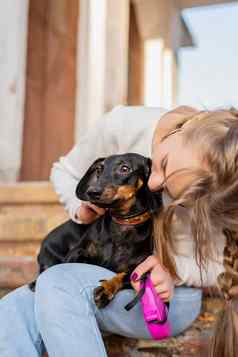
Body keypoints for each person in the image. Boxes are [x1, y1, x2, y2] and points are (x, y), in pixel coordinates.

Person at [0, 105, 235, 357]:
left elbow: (223, 266)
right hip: (100, 273)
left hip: (165, 301)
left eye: (183, 200)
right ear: (187, 125)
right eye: (163, 164)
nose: (154, 185)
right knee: (13, 308)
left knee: (52, 287)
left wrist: (174, 269)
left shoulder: (226, 187)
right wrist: (81, 209)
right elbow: (64, 172)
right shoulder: (122, 125)